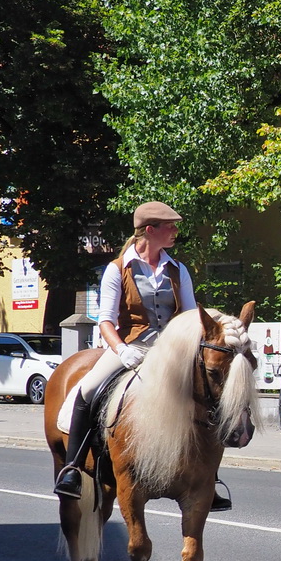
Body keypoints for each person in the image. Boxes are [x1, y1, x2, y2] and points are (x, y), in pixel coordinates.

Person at [54, 202, 198, 500]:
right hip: (131, 345)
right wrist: (122, 350)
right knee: (88, 389)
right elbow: (105, 320)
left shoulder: (178, 269)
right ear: (150, 230)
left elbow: (191, 316)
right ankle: (72, 466)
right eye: (170, 226)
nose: (175, 231)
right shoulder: (117, 269)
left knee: (208, 392)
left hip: (171, 350)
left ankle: (209, 475)